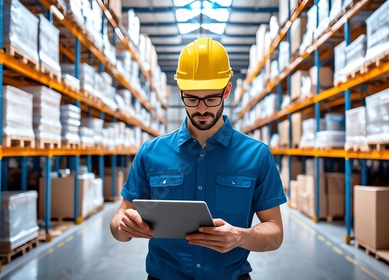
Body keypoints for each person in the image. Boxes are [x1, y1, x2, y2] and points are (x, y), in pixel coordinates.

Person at [110, 37, 287, 279]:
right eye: (191, 99)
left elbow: (275, 232)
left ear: (227, 91)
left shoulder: (257, 155)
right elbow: (119, 222)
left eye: (211, 98)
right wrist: (123, 226)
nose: (201, 109)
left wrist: (240, 237)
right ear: (181, 92)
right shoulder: (151, 153)